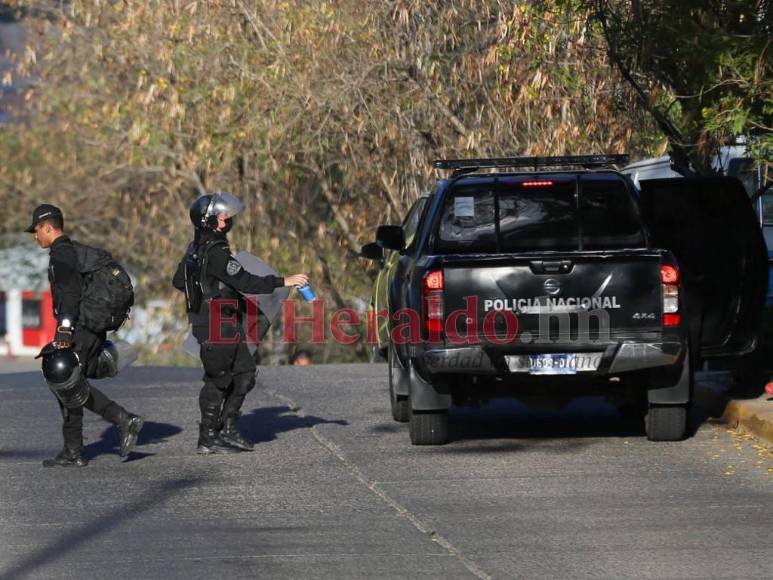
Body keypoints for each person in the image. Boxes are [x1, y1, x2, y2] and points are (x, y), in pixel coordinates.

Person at [172, 192, 309, 454]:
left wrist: (206, 286)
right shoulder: (215, 253)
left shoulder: (196, 249)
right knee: (219, 380)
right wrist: (283, 281)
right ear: (211, 222)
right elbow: (246, 282)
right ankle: (208, 436)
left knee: (245, 373)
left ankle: (228, 429)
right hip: (216, 324)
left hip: (222, 322)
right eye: (223, 218)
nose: (227, 222)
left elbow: (179, 281)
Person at [26, 204, 144, 467]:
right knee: (71, 386)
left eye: (37, 231)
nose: (36, 236)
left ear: (48, 227)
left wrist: (65, 329)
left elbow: (70, 293)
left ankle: (123, 419)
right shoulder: (72, 252)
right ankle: (73, 450)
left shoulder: (62, 254)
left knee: (66, 381)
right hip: (90, 326)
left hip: (79, 327)